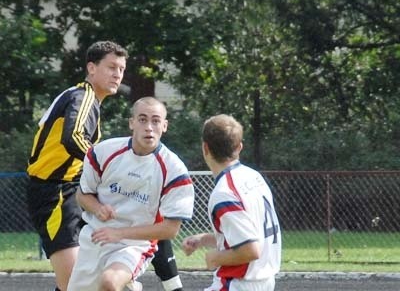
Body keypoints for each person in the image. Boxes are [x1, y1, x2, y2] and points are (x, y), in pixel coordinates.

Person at [27, 41, 184, 291]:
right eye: (111, 67)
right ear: (91, 68)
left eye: (121, 69)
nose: (117, 74)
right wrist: (104, 164)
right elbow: (72, 137)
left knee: (146, 213)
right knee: (72, 285)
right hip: (55, 193)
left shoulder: (88, 101)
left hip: (71, 189)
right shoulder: (83, 96)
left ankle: (164, 284)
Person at [66, 97, 195, 291]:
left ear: (165, 126)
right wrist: (98, 208)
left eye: (156, 121)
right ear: (131, 123)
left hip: (135, 244)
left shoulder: (174, 170)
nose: (149, 127)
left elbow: (170, 229)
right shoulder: (102, 152)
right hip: (95, 237)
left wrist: (119, 233)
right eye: (142, 120)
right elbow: (82, 195)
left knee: (109, 283)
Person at [181, 114, 281, 291]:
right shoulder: (254, 177)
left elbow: (250, 250)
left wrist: (214, 258)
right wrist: (203, 239)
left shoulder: (225, 193)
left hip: (238, 284)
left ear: (205, 148)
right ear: (239, 147)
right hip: (264, 282)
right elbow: (247, 236)